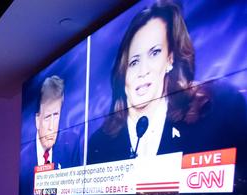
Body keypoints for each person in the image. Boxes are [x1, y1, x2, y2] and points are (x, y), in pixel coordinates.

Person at [88, 0, 247, 164]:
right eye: (134, 62)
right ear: (123, 73)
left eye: (155, 53)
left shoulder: (220, 109)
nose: (143, 71)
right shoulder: (100, 143)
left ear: (170, 59)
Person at [28, 75, 81, 195]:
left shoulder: (70, 149)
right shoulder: (22, 162)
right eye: (47, 117)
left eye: (56, 115)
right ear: (37, 120)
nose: (52, 127)